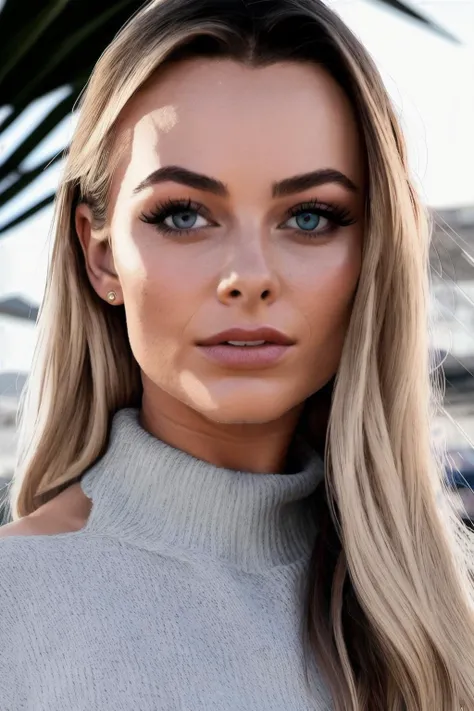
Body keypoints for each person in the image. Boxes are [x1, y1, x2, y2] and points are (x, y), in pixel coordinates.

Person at [1, 0, 473, 708]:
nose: (248, 275)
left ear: (373, 251)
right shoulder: (17, 606)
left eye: (310, 216)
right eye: (184, 215)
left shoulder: (437, 627)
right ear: (101, 255)